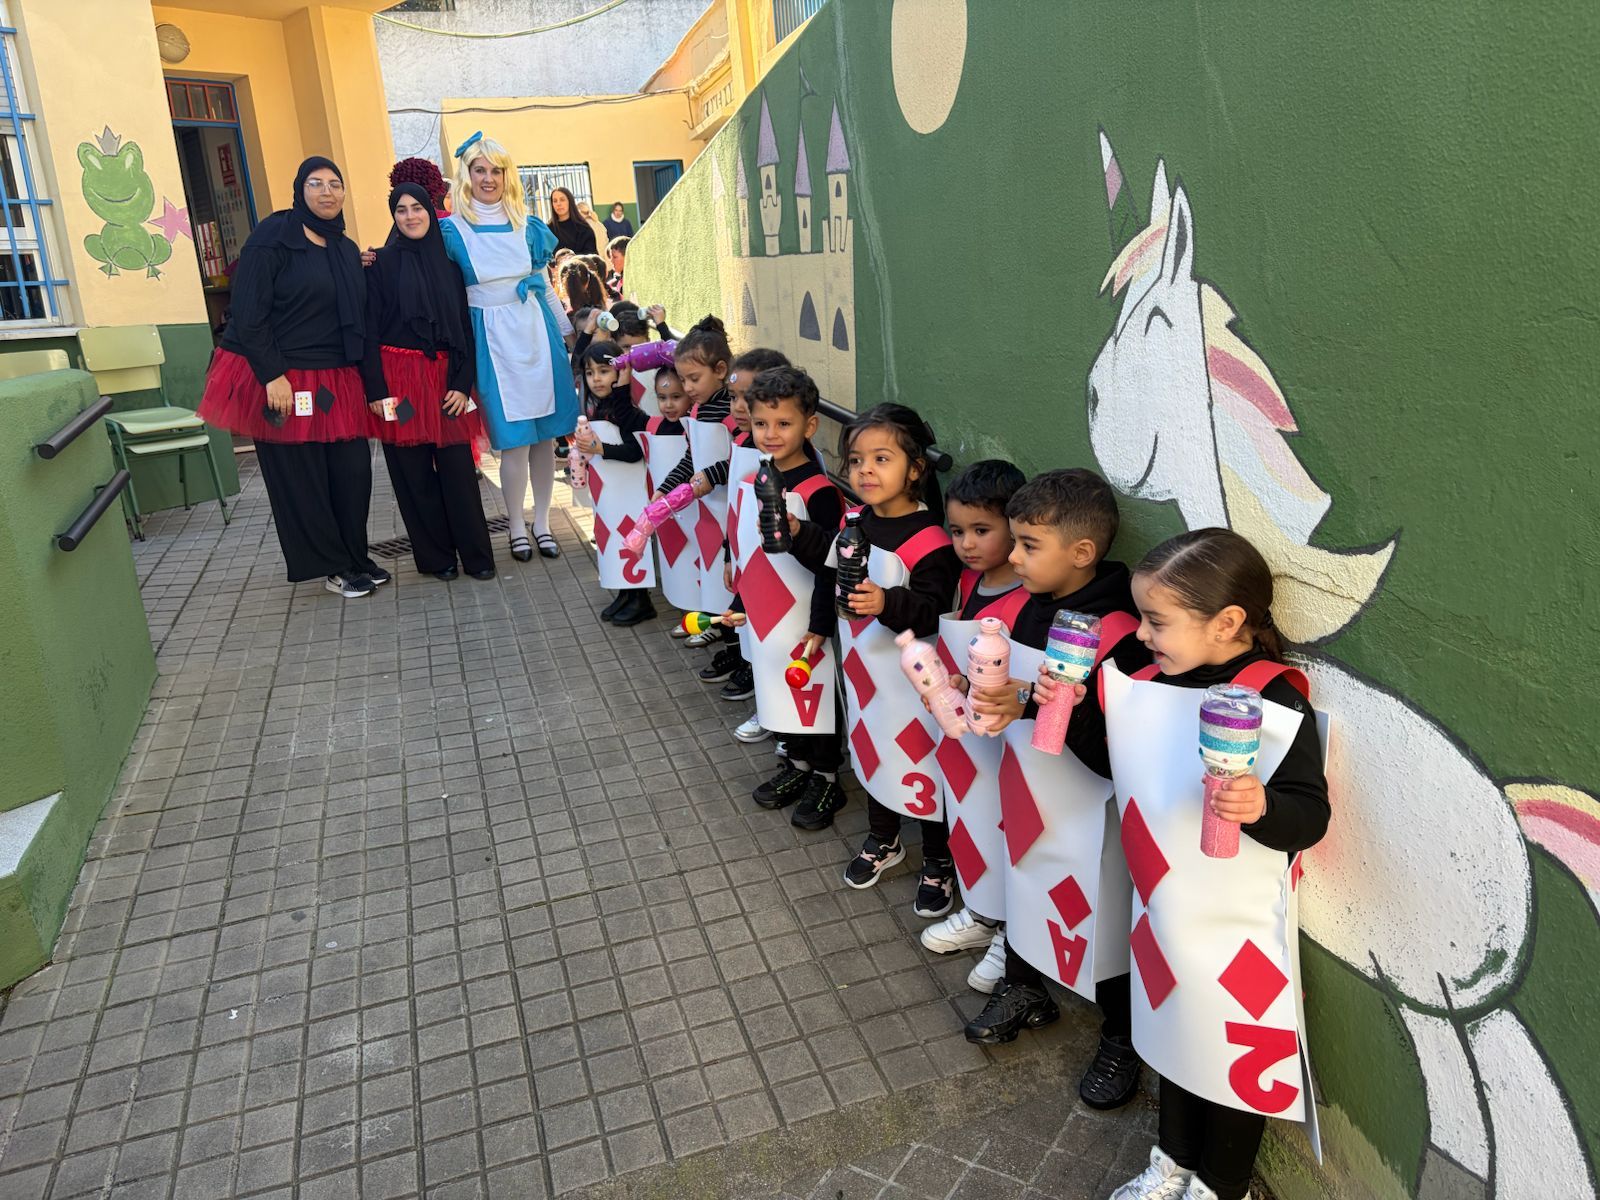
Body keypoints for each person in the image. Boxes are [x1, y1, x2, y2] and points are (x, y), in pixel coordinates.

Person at [1102, 528, 1329, 1200]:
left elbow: (1308, 818)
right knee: (1176, 1033)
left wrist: (1259, 805)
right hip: (1164, 916)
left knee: (1235, 1049)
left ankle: (1221, 1183)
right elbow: (1112, 769)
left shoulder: (1276, 699)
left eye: (1157, 620)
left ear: (1228, 623)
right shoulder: (1142, 685)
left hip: (1237, 927)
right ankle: (1172, 1157)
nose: (1142, 635)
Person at [957, 470, 1151, 1120]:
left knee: (1105, 919)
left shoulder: (1123, 634)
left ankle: (1121, 1038)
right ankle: (1025, 987)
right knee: (1027, 882)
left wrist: (1041, 707)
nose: (1012, 558)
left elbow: (1114, 753)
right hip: (1031, 794)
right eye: (1013, 541)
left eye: (1027, 544)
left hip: (1094, 812)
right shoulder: (1031, 603)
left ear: (1082, 553)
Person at [197, 155, 385, 599]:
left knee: (352, 473)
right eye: (316, 184)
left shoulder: (342, 247)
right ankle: (333, 565)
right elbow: (248, 314)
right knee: (304, 479)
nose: (327, 192)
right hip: (286, 379)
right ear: (300, 190)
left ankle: (356, 555)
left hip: (336, 380)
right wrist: (272, 376)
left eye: (335, 184)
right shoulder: (272, 238)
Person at [825, 405, 962, 908]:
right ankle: (884, 838)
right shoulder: (855, 519)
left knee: (922, 767)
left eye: (881, 458)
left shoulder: (932, 542)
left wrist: (887, 601)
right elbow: (831, 574)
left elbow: (931, 611)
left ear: (916, 469)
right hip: (863, 675)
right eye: (856, 459)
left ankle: (937, 860)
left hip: (914, 688)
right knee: (871, 754)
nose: (865, 470)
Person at [439, 132, 577, 563]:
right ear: (467, 175)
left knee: (543, 439)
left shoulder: (527, 225)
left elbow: (544, 287)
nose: (488, 178)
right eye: (479, 170)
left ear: (506, 175)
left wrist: (567, 332)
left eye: (496, 170)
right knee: (514, 440)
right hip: (490, 339)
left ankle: (542, 523)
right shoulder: (451, 230)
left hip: (536, 333)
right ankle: (516, 524)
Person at [917, 459, 1027, 992]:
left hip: (1010, 751)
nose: (966, 543)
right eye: (957, 531)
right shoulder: (967, 581)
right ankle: (984, 910)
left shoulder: (1028, 599)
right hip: (963, 744)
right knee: (972, 825)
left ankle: (1013, 929)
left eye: (981, 531)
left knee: (1009, 835)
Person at [360, 184, 493, 583]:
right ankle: (437, 559)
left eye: (417, 208)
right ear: (393, 218)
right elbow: (367, 332)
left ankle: (477, 556)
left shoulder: (451, 268)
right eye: (400, 210)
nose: (410, 216)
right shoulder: (378, 265)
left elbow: (464, 334)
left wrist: (461, 383)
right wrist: (375, 391)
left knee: (458, 471)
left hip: (446, 384)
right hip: (397, 385)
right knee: (411, 474)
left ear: (431, 213)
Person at [733, 366, 848, 826]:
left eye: (784, 424)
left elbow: (830, 563)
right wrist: (740, 601)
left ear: (810, 426)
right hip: (767, 617)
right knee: (780, 690)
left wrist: (821, 625)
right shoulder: (755, 476)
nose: (771, 433)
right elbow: (748, 549)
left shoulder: (818, 492)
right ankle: (797, 766)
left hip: (806, 617)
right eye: (762, 423)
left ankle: (826, 778)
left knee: (815, 698)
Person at [571, 341, 655, 626]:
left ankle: (640, 598)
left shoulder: (625, 407)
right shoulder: (598, 406)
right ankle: (626, 593)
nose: (596, 379)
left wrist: (600, 449)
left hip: (629, 489)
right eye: (590, 372)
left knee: (631, 538)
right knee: (613, 538)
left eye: (604, 371)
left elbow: (635, 451)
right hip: (609, 491)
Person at [547, 186, 597, 255]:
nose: (558, 204)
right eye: (555, 201)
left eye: (562, 200)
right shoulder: (548, 230)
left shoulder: (583, 228)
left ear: (570, 201)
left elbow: (591, 256)